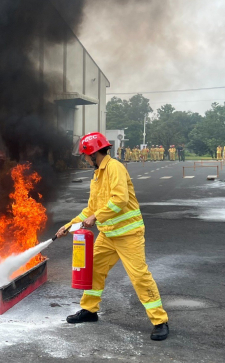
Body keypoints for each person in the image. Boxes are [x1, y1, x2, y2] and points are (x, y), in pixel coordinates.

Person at [55, 132, 170, 341]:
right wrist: (69, 226)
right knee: (94, 270)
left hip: (128, 234)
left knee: (139, 277)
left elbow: (120, 199)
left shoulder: (114, 167)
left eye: (85, 155)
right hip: (108, 234)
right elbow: (91, 209)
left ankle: (160, 321)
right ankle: (89, 310)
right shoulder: (97, 175)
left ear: (93, 153)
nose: (84, 159)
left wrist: (96, 217)